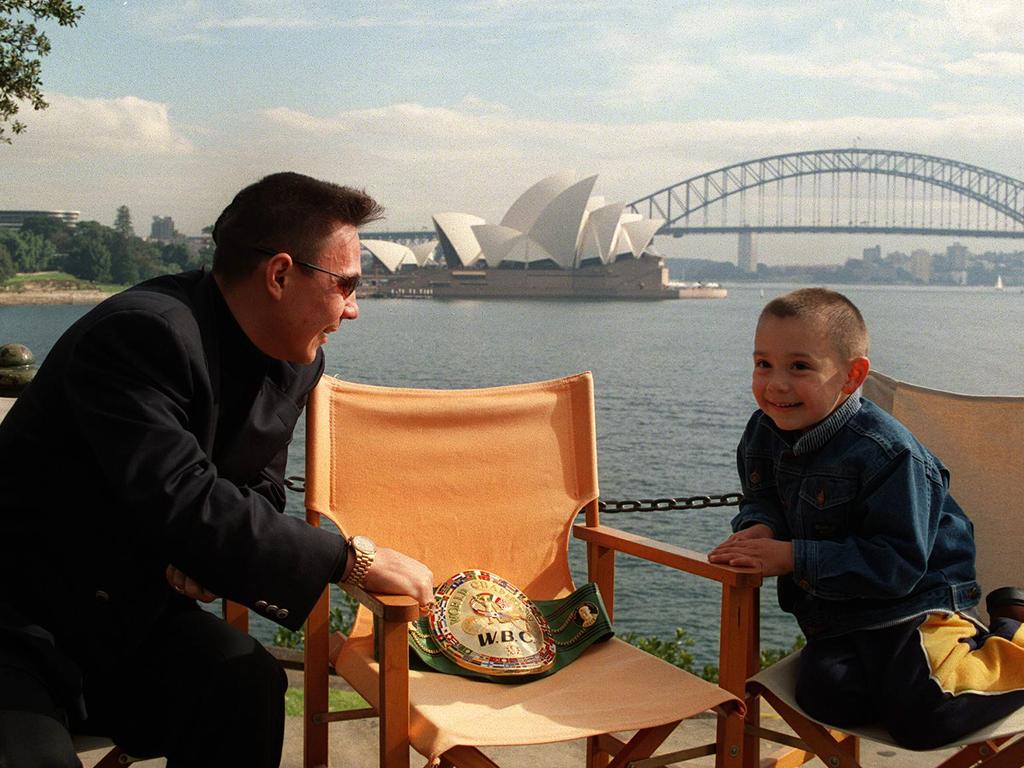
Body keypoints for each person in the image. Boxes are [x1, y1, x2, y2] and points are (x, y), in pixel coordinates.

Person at [0, 172, 434, 767]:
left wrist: (205, 553)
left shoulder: (295, 360)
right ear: (279, 274)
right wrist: (350, 558)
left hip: (126, 624)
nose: (354, 309)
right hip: (18, 625)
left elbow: (258, 490)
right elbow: (181, 496)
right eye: (348, 285)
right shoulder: (142, 333)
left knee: (247, 683)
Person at [708, 287, 1024, 749]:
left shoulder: (888, 454)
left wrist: (793, 556)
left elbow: (898, 565)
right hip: (840, 614)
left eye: (799, 366)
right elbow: (763, 500)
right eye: (763, 364)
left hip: (916, 606)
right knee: (824, 695)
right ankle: (903, 684)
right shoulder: (763, 431)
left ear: (852, 376)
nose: (775, 384)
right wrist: (760, 527)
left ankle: (1013, 630)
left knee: (925, 721)